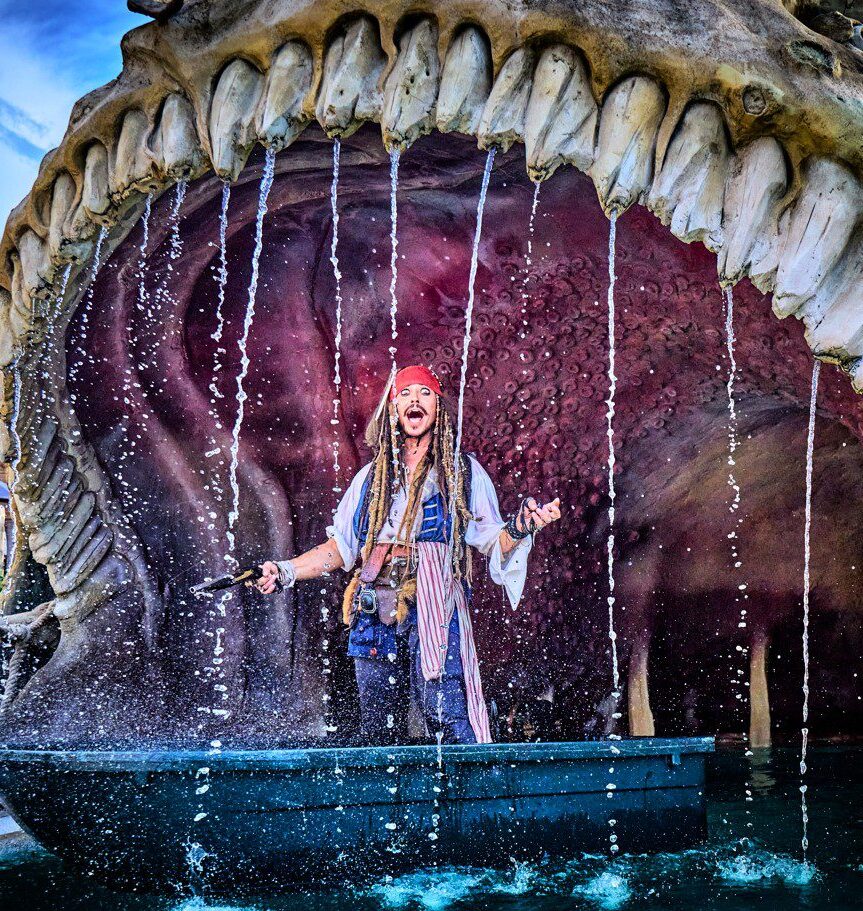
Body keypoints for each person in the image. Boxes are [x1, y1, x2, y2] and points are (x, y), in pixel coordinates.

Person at [255, 365, 562, 745]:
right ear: (393, 409)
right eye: (405, 393)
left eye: (424, 393)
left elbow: (492, 540)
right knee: (379, 726)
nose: (414, 399)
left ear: (438, 408)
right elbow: (340, 548)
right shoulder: (371, 478)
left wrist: (521, 527)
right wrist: (285, 571)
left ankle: (465, 782)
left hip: (433, 604)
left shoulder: (462, 473)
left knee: (447, 714)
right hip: (373, 605)